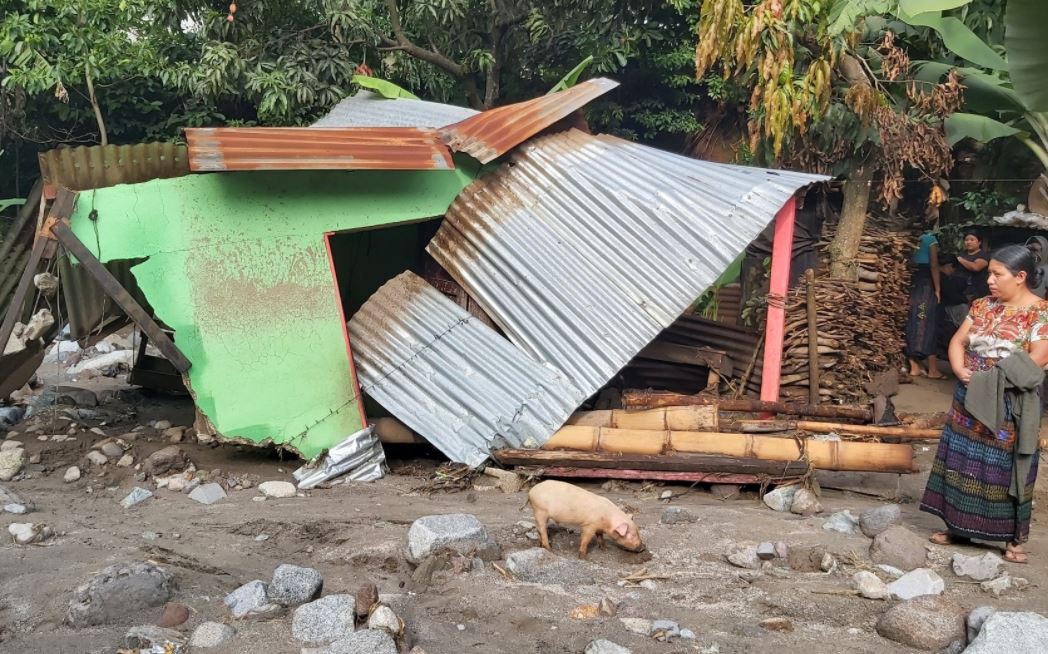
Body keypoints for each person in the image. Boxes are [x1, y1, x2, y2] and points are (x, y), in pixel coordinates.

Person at [920, 244, 1048, 564]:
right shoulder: (982, 305)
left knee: (1007, 467)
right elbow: (958, 342)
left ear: (1020, 277)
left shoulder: (1040, 312)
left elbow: (1039, 357)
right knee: (963, 461)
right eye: (989, 273)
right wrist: (962, 371)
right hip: (969, 393)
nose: (989, 280)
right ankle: (958, 526)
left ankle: (1012, 539)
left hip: (1010, 399)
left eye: (996, 274)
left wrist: (993, 381)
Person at [905, 231, 943, 378]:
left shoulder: (911, 237)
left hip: (911, 283)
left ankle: (914, 366)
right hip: (925, 286)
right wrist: (938, 289)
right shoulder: (930, 240)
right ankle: (932, 370)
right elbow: (934, 265)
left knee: (912, 320)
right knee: (925, 322)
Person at [956, 230, 990, 301]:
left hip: (976, 291)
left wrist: (960, 260)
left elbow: (976, 267)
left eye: (972, 240)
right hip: (962, 290)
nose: (968, 242)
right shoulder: (962, 254)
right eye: (966, 240)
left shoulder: (983, 255)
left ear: (979, 242)